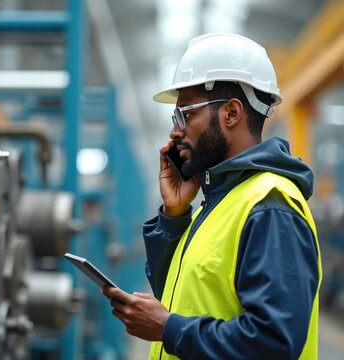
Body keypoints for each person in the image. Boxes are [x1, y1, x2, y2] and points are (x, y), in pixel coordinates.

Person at [102, 32, 322, 359]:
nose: (175, 131)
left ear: (231, 113)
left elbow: (274, 343)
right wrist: (174, 215)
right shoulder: (219, 202)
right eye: (174, 118)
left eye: (186, 115)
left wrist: (167, 329)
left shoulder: (268, 207)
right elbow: (183, 298)